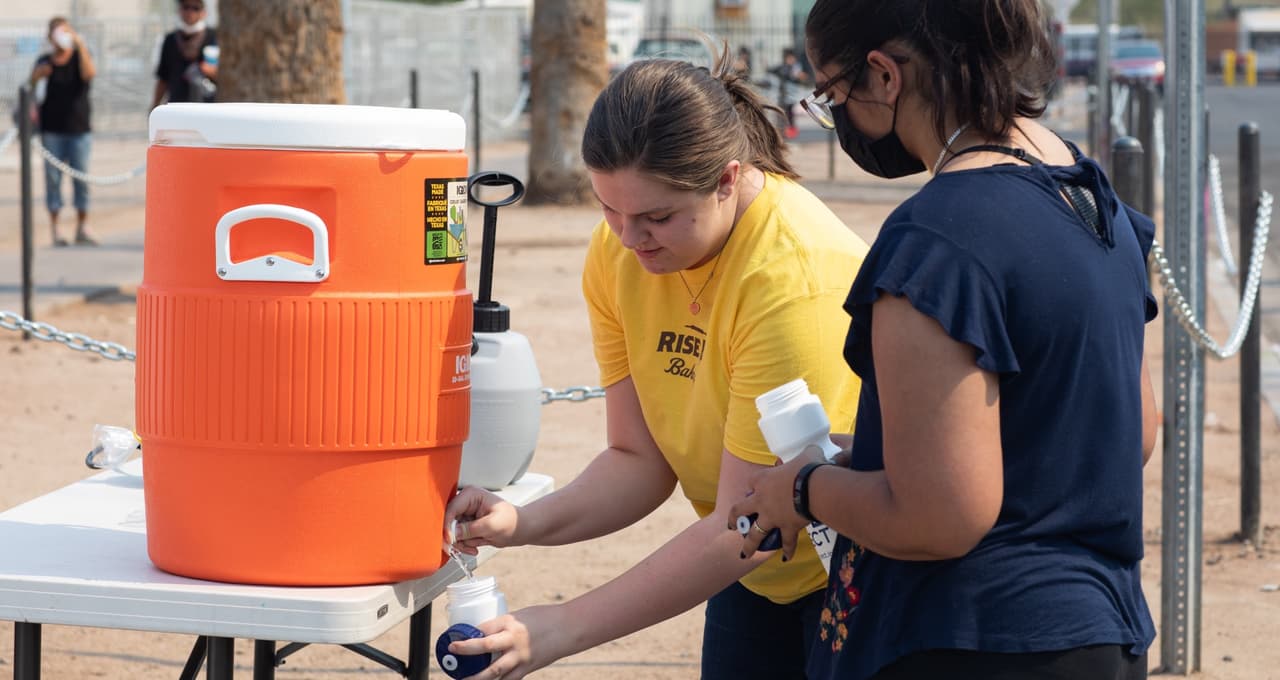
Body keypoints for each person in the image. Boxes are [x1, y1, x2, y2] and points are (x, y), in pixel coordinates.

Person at [729, 1, 1159, 679]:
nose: (837, 117)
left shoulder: (937, 239)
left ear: (883, 75)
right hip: (1101, 633)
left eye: (830, 94)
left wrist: (805, 489)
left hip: (969, 640)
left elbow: (939, 517)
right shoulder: (1089, 192)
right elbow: (1129, 430)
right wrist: (879, 453)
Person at [442, 46, 870, 680]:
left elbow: (744, 526)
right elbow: (638, 461)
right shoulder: (617, 253)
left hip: (854, 573)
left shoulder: (791, 277)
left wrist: (560, 627)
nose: (628, 238)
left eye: (657, 216)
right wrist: (521, 522)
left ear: (728, 178)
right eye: (608, 208)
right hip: (751, 573)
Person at [29, 16, 96, 247]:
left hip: (79, 129)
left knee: (82, 179)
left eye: (65, 31)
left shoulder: (79, 57)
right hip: (52, 130)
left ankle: (82, 227)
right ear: (49, 37)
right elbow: (29, 89)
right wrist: (37, 77)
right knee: (53, 180)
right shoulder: (43, 62)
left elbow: (89, 74)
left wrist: (79, 44)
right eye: (57, 32)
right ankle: (56, 229)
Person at [151, 0, 218, 109]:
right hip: (177, 107)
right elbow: (163, 78)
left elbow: (228, 74)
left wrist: (211, 71)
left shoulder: (214, 37)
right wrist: (154, 106)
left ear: (203, 12)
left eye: (195, 8)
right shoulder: (170, 40)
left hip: (208, 108)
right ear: (180, 10)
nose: (190, 12)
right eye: (186, 7)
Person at [770, 48, 808, 139]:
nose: (792, 60)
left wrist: (800, 77)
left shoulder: (796, 67)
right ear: (786, 58)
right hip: (782, 96)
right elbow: (773, 71)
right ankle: (781, 134)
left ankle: (788, 134)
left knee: (790, 116)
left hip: (790, 97)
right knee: (781, 115)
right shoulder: (782, 68)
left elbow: (801, 78)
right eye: (790, 58)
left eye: (793, 58)